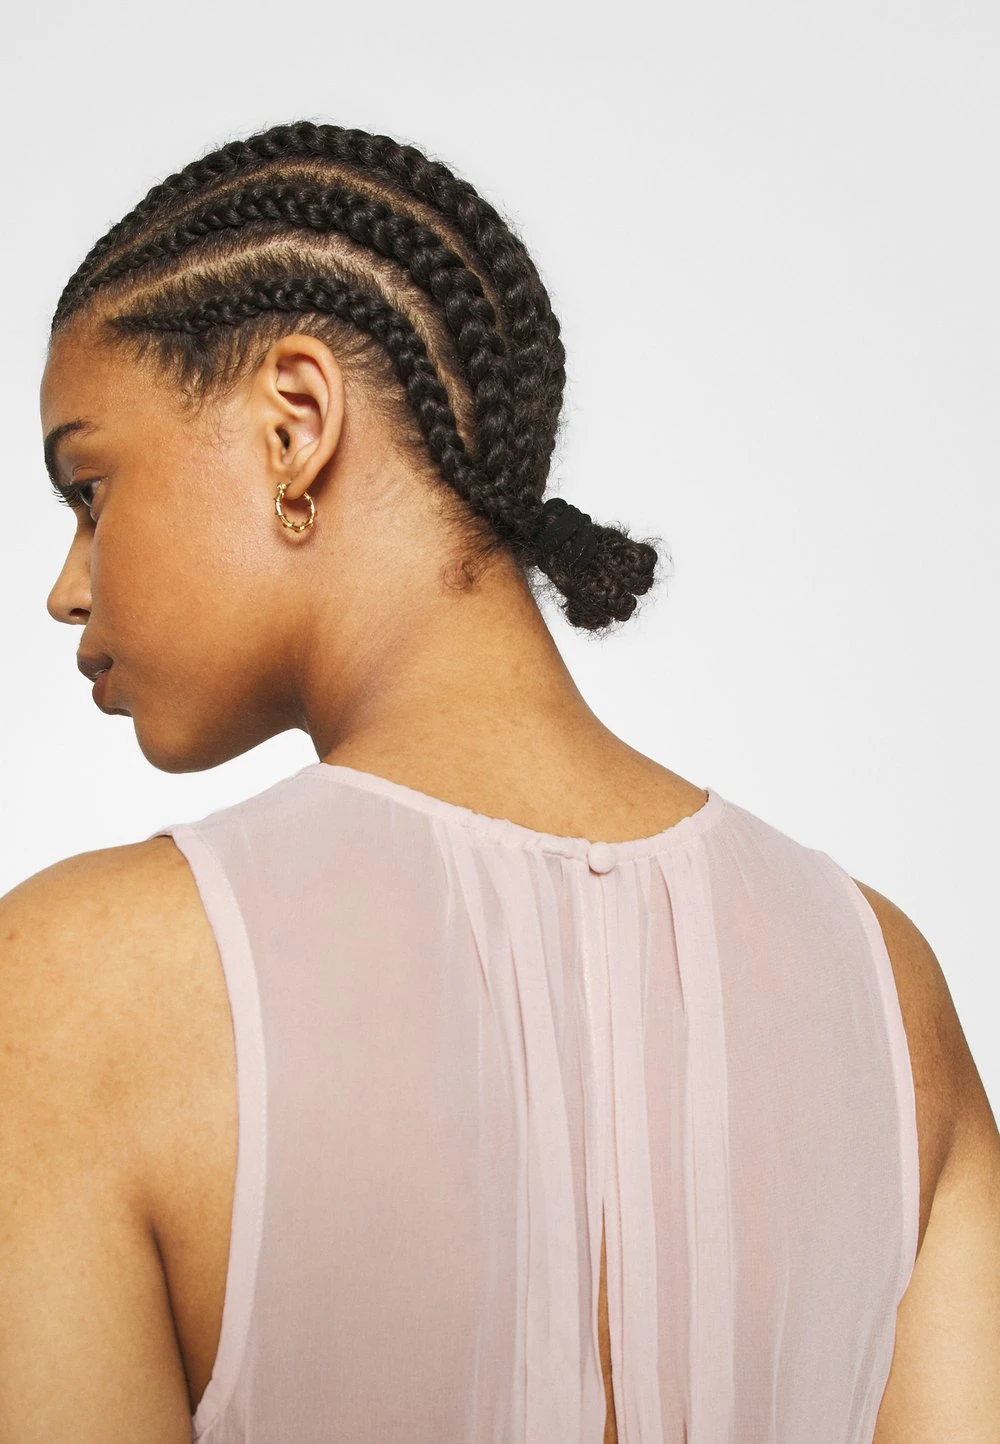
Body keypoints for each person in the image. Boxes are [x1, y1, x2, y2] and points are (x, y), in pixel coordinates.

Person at [3, 119, 997, 1443]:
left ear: (296, 422)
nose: (68, 587)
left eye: (89, 488)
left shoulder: (73, 989)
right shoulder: (884, 992)